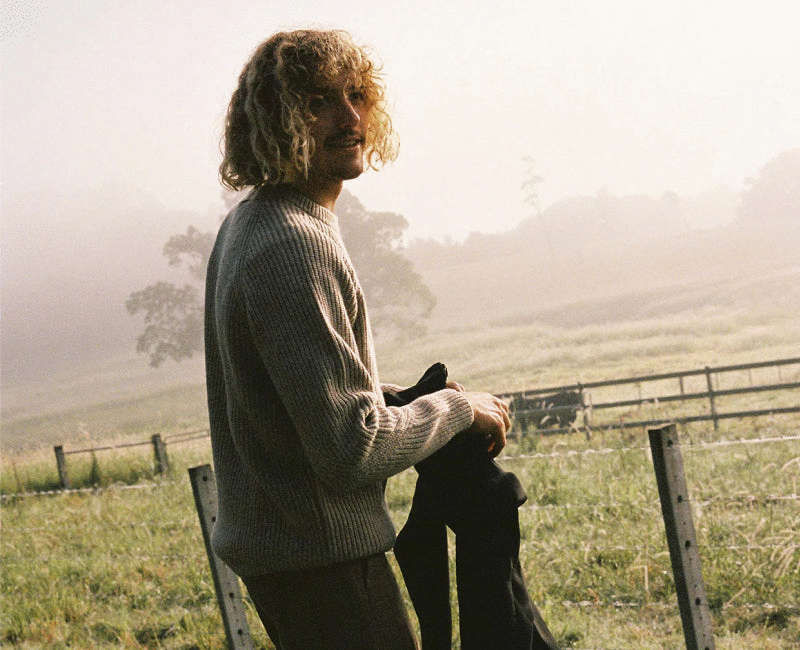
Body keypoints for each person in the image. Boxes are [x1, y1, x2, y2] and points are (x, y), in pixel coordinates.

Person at [205, 28, 510, 650]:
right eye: (318, 101)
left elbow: (297, 397)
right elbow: (351, 449)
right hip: (324, 565)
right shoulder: (293, 243)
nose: (349, 118)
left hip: (296, 560)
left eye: (357, 95)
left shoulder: (255, 222)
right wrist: (456, 410)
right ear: (275, 120)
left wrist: (397, 398)